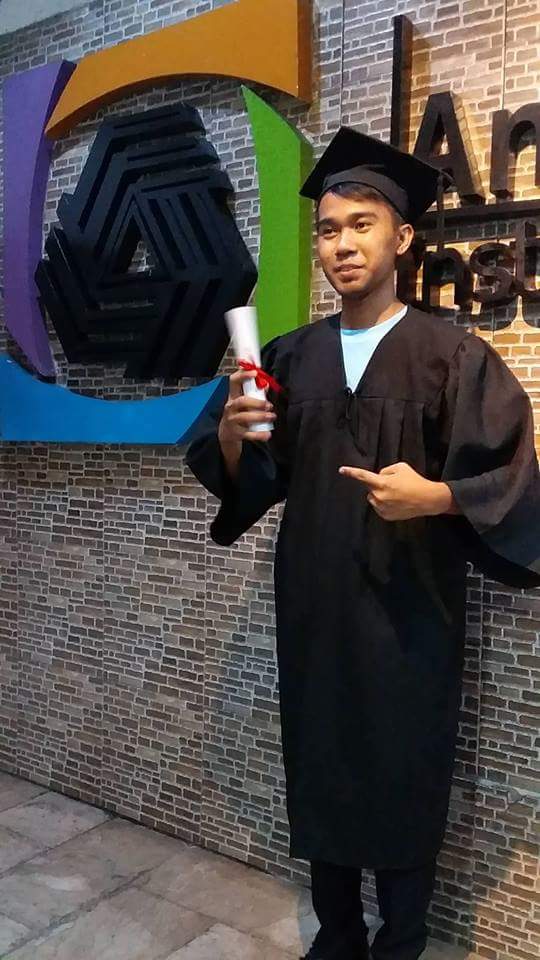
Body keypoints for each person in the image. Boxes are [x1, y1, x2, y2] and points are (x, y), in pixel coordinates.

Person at [186, 127, 540, 960]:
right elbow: (251, 472)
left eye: (361, 225)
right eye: (328, 230)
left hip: (412, 612)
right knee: (323, 763)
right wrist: (233, 436)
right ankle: (337, 935)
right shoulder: (290, 356)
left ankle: (402, 942)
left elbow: (515, 479)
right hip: (314, 606)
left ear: (402, 238)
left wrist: (438, 496)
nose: (341, 245)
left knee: (405, 769)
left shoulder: (452, 356)